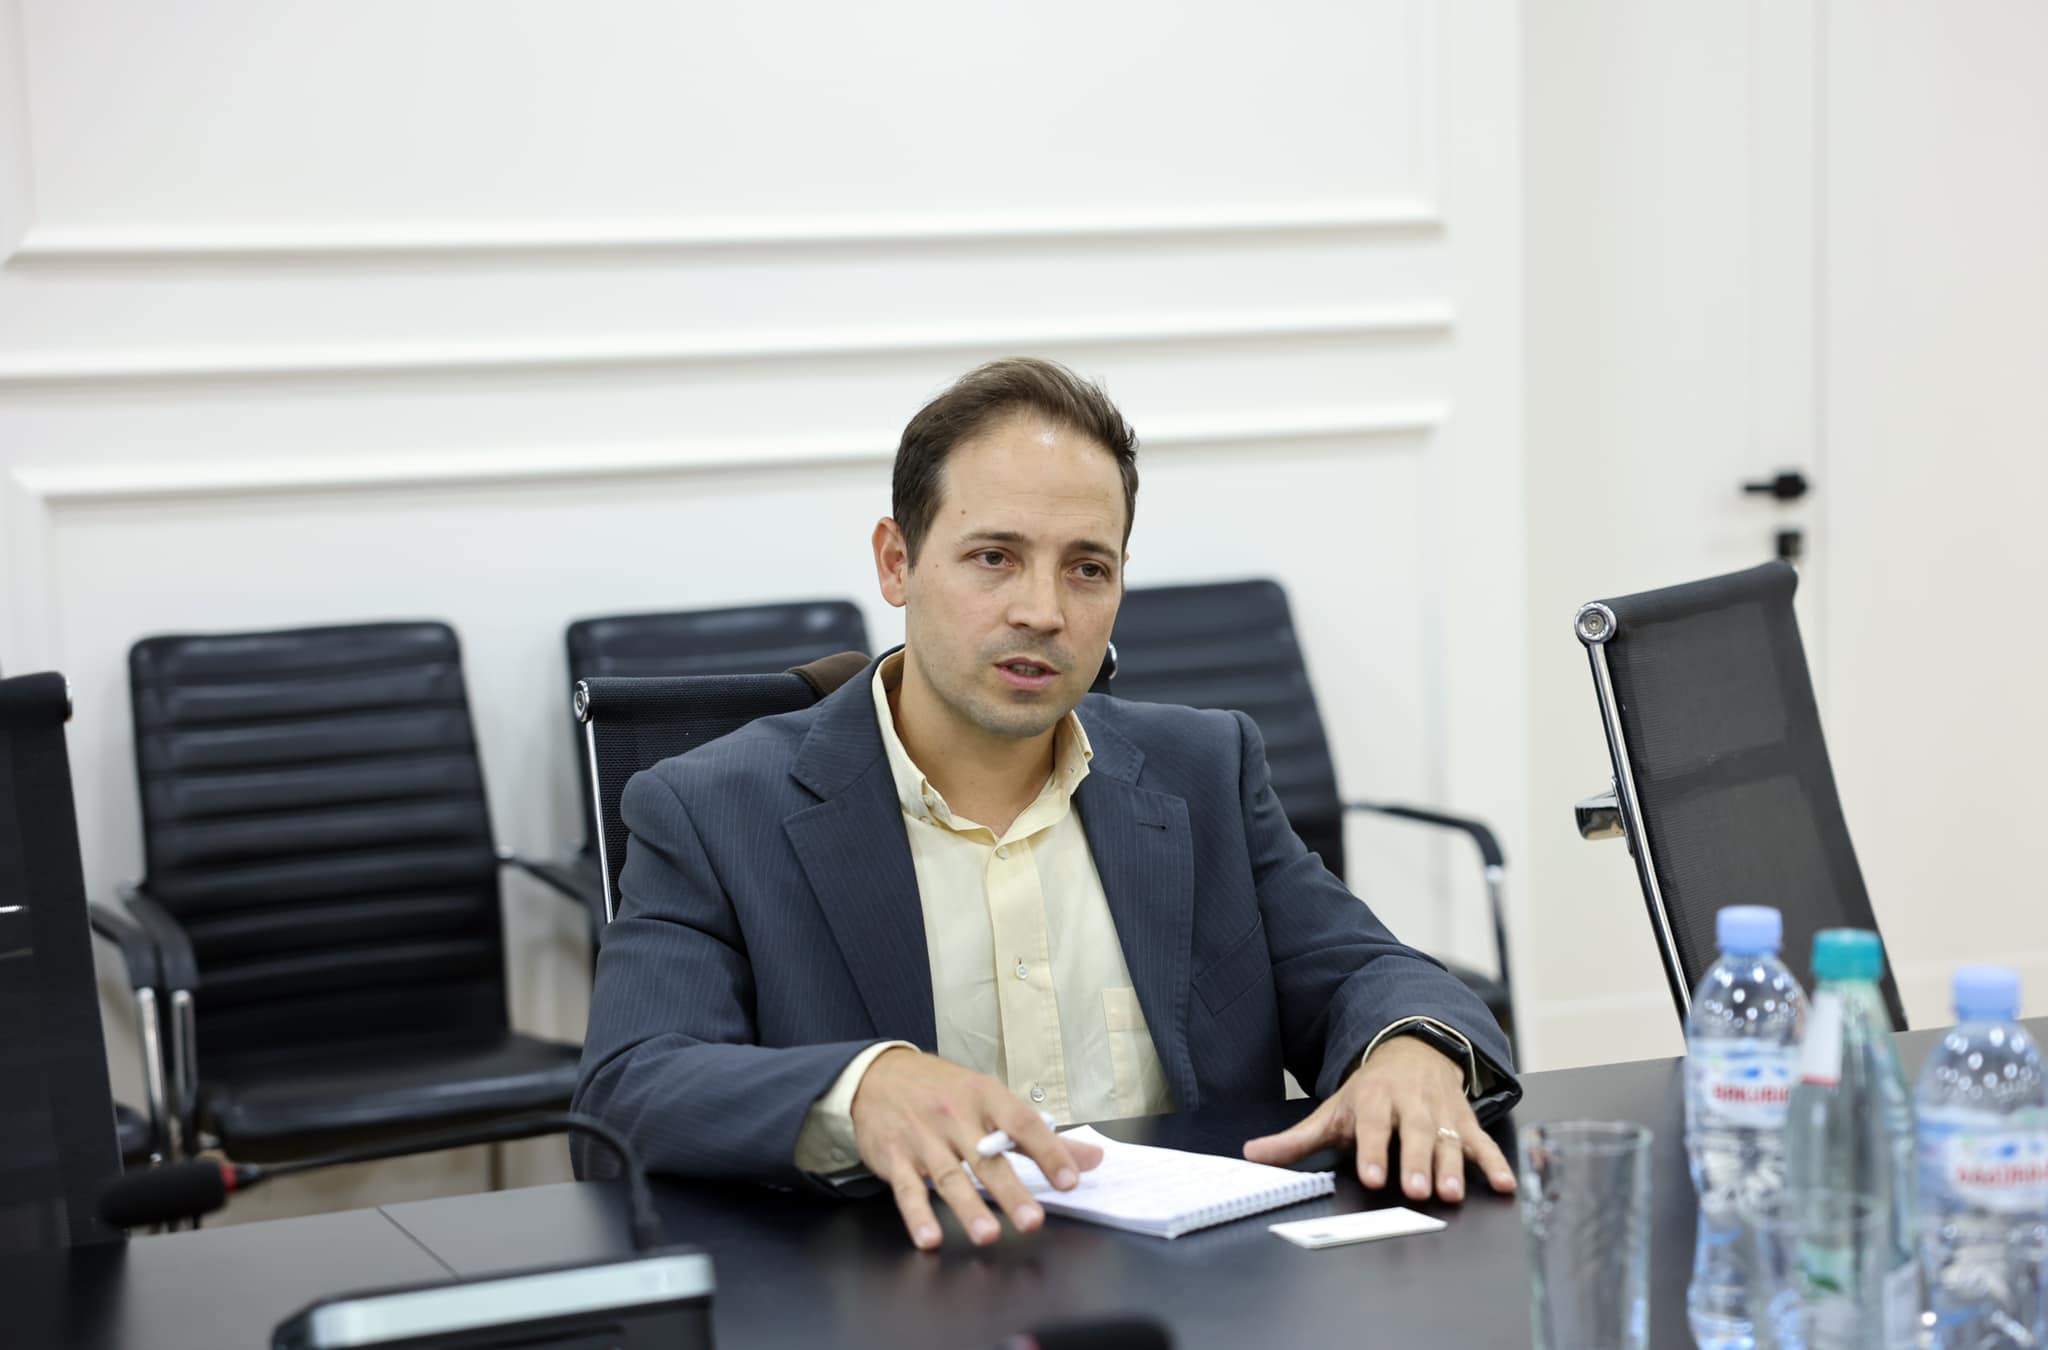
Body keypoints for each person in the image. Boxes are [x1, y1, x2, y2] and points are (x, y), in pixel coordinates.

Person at [574, 357, 1520, 1251]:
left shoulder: (1204, 772)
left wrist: (1410, 1052)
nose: (1043, 611)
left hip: (1205, 1296)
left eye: (1087, 568)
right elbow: (630, 1087)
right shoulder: (712, 808)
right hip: (893, 1295)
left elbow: (1371, 973)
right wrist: (857, 1089)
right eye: (994, 557)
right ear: (897, 562)